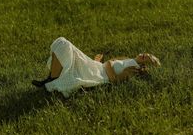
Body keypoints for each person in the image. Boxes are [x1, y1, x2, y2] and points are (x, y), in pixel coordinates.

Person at [32, 37, 161, 98]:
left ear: (147, 65)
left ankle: (50, 81)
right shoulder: (128, 59)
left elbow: (113, 79)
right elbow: (109, 64)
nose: (147, 55)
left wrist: (108, 64)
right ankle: (50, 78)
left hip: (97, 74)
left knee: (65, 45)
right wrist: (98, 61)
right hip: (96, 67)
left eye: (150, 58)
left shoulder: (134, 70)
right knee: (61, 43)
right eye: (148, 54)